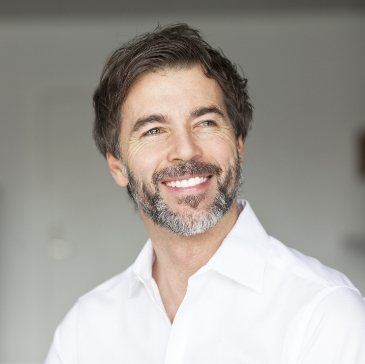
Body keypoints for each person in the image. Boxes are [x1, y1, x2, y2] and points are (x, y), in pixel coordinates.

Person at [45, 23, 365, 364]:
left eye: (206, 122)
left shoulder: (324, 314)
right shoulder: (85, 329)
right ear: (117, 167)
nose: (185, 150)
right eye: (153, 130)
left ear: (238, 145)